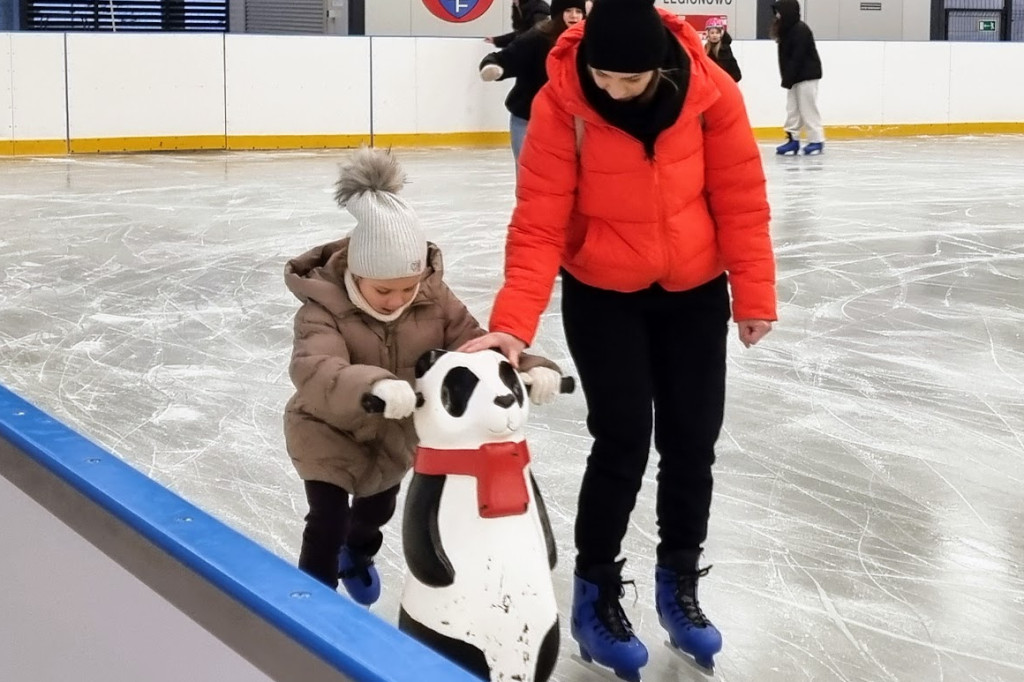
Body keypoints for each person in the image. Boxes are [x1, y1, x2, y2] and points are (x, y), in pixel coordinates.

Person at [460, 0, 775, 677]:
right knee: (623, 439)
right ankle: (595, 597)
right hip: (603, 293)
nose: (613, 89)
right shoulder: (561, 104)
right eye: (603, 74)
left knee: (693, 440)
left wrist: (753, 295)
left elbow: (741, 196)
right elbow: (539, 224)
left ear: (660, 67)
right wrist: (512, 326)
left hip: (694, 290)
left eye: (629, 80)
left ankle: (679, 585)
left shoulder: (711, 93)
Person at [282, 147, 562, 605]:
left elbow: (475, 343)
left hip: (395, 433)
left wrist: (530, 367)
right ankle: (314, 603)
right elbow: (315, 368)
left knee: (376, 510)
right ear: (356, 273)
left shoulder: (434, 299)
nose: (397, 300)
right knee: (327, 520)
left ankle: (358, 552)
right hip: (328, 428)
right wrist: (372, 384)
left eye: (408, 288)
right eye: (384, 290)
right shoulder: (322, 307)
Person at [480, 0, 588, 166]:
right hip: (527, 117)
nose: (574, 16)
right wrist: (493, 66)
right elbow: (507, 57)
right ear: (559, 13)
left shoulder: (588, 40)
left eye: (578, 11)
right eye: (568, 11)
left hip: (569, 121)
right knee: (527, 169)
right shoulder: (539, 37)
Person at [771, 0, 824, 155]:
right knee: (792, 108)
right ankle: (792, 140)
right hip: (794, 76)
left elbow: (797, 56)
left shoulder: (801, 30)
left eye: (779, 11)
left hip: (807, 75)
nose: (777, 15)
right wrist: (787, 77)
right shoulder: (785, 30)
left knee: (808, 108)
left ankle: (816, 140)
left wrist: (788, 78)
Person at [486, 0, 551, 48]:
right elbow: (521, 31)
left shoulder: (539, 12)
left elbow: (534, 35)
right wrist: (497, 40)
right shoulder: (527, 11)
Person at [704, 17, 741, 82]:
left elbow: (736, 74)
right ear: (708, 34)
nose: (714, 35)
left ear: (721, 34)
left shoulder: (725, 49)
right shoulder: (706, 48)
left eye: (717, 33)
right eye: (712, 33)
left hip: (724, 84)